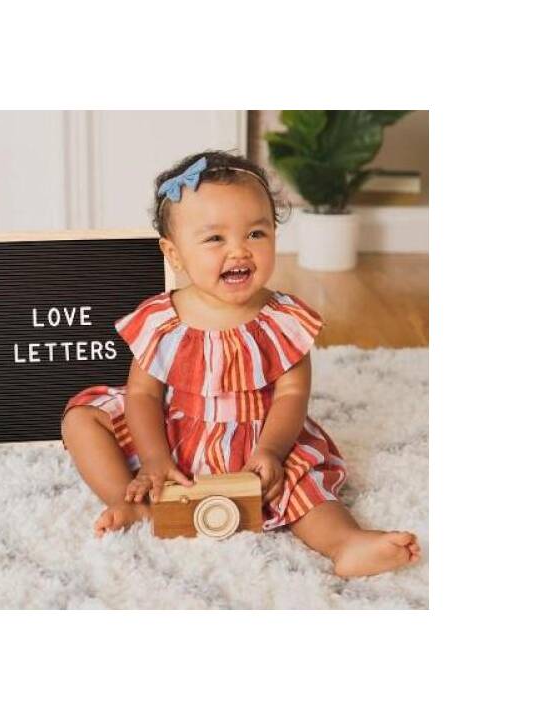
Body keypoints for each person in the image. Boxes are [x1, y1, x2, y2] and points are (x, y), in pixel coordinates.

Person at [61, 150, 421, 577]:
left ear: (275, 236)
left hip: (257, 441)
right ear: (174, 254)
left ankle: (345, 543)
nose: (239, 251)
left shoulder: (283, 320)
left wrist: (272, 450)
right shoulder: (162, 318)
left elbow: (291, 394)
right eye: (215, 239)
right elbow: (143, 394)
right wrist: (155, 458)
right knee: (82, 419)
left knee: (302, 483)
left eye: (255, 233)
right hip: (173, 433)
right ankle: (133, 503)